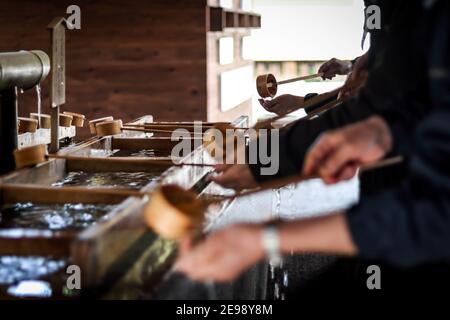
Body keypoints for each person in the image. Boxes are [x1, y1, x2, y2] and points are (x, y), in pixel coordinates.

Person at [176, 0, 450, 287]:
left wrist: (266, 233)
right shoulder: (423, 25)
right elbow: (397, 100)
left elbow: (430, 218)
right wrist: (372, 123)